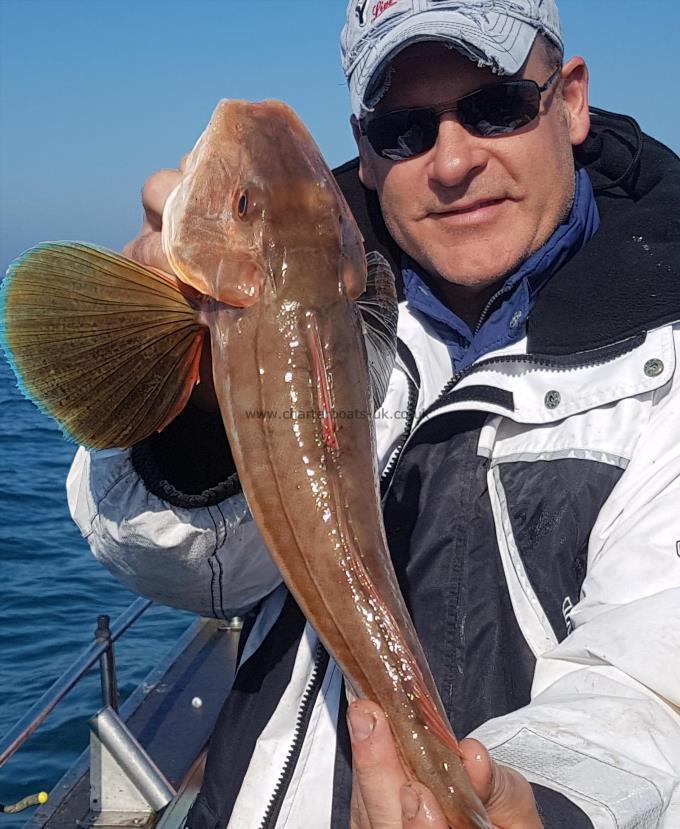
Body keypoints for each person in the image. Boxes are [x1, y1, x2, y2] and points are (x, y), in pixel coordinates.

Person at [67, 1, 680, 826]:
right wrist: (186, 399)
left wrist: (534, 801)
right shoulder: (361, 317)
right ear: (362, 147)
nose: (453, 161)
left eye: (495, 107)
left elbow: (652, 679)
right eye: (404, 129)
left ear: (569, 101)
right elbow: (186, 571)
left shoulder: (664, 356)